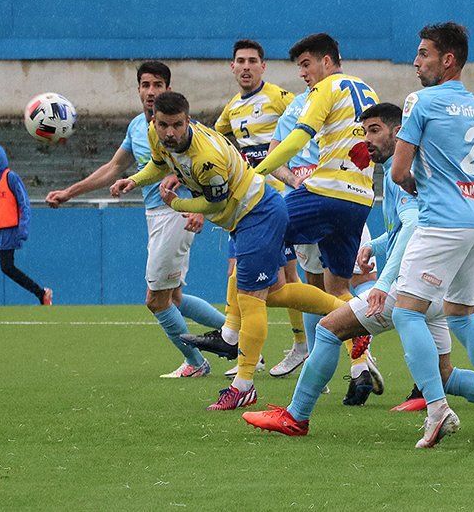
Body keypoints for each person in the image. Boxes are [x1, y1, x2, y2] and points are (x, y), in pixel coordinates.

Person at [242, 102, 474, 438]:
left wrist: (383, 284)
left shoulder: (401, 172)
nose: (367, 139)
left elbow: (415, 225)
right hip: (440, 284)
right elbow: (412, 224)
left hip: (412, 285)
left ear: (398, 133)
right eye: (364, 131)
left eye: (375, 130)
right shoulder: (413, 167)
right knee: (443, 374)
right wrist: (378, 244)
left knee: (329, 330)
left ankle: (296, 416)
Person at [110, 92, 344, 410]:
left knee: (250, 299)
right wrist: (134, 181)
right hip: (249, 216)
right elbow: (158, 163)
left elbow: (214, 202)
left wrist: (176, 203)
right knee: (274, 292)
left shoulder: (206, 158)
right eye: (164, 125)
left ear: (188, 120)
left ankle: (243, 384)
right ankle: (348, 312)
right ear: (155, 121)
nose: (169, 133)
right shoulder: (157, 135)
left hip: (257, 213)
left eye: (177, 125)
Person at [389, 22, 474, 448]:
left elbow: (397, 172)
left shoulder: (422, 103)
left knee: (406, 313)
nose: (416, 61)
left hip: (441, 223)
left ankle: (436, 408)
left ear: (447, 60)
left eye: (424, 54)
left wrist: (421, 187)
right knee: (461, 315)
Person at [46, 61, 222, 378]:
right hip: (155, 216)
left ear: (168, 89)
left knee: (155, 300)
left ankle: (197, 363)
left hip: (175, 215)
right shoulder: (137, 128)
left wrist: (197, 209)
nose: (151, 91)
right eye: (145, 85)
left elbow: (202, 167)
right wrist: (70, 192)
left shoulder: (180, 128)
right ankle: (243, 343)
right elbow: (114, 167)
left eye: (157, 85)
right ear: (139, 89)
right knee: (176, 298)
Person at [252, 33, 380, 403]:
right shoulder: (366, 90)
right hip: (359, 201)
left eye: (307, 64)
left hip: (323, 192)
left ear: (327, 61)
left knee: (257, 229)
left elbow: (292, 143)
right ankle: (357, 346)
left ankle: (235, 344)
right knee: (337, 288)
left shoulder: (325, 90)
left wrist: (257, 172)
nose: (304, 74)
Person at [214, 39, 303, 379]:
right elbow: (216, 138)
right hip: (246, 203)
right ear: (232, 67)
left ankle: (300, 345)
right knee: (238, 274)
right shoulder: (232, 109)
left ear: (263, 67)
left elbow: (307, 121)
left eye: (253, 60)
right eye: (241, 61)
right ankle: (247, 350)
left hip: (276, 202)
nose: (247, 66)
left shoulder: (280, 98)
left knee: (287, 277)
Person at [0, 143, 51, 306]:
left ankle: (41, 293)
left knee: (7, 268)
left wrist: (23, 228)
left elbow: (24, 203)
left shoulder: (10, 177)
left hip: (7, 231)